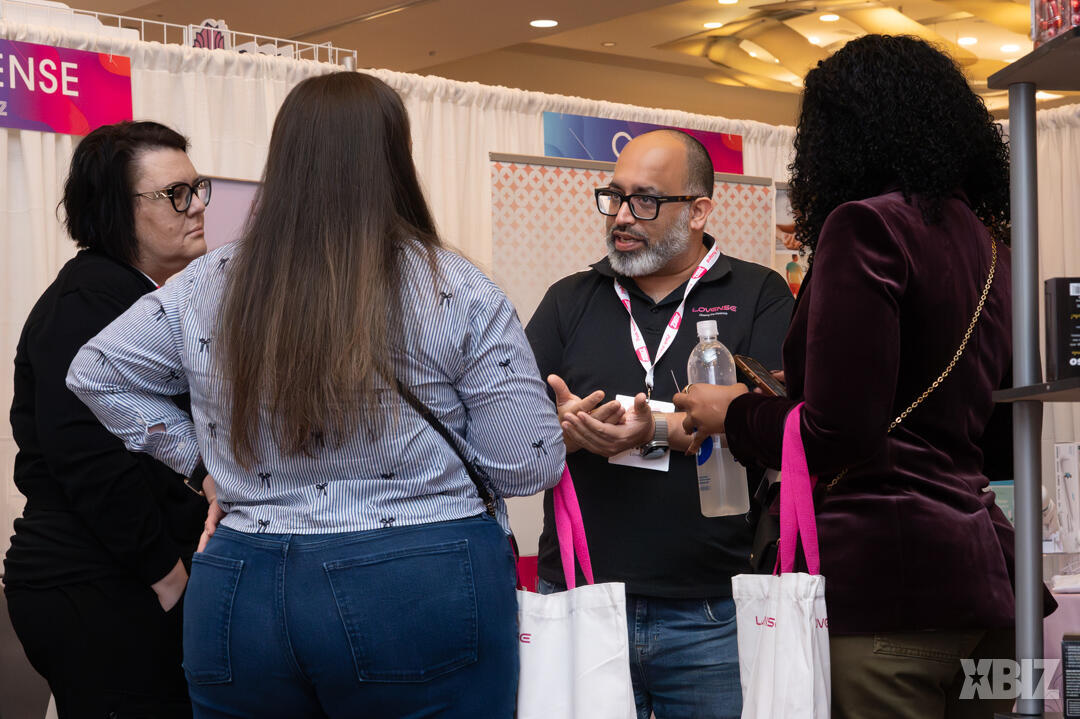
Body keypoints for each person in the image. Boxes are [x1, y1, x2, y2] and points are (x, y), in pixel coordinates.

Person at [67, 71, 564, 718]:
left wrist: (203, 466)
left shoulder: (208, 282)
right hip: (419, 581)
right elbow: (525, 463)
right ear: (394, 157)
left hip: (242, 581)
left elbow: (97, 371)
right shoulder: (455, 286)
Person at [672, 35, 1029, 718]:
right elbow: (966, 414)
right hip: (988, 589)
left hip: (887, 587)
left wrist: (734, 412)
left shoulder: (865, 225)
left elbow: (838, 432)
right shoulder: (992, 247)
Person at [525, 129, 793, 719]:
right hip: (581, 597)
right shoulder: (570, 299)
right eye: (615, 196)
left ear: (698, 211)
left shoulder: (758, 294)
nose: (621, 216)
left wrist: (653, 430)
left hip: (714, 608)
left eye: (644, 200)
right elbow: (513, 425)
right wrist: (561, 429)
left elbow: (772, 418)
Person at [4, 121, 212, 717]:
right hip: (98, 581)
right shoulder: (92, 299)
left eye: (196, 187)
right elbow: (84, 452)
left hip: (116, 577)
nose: (197, 206)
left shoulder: (136, 296)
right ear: (118, 210)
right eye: (175, 195)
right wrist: (167, 577)